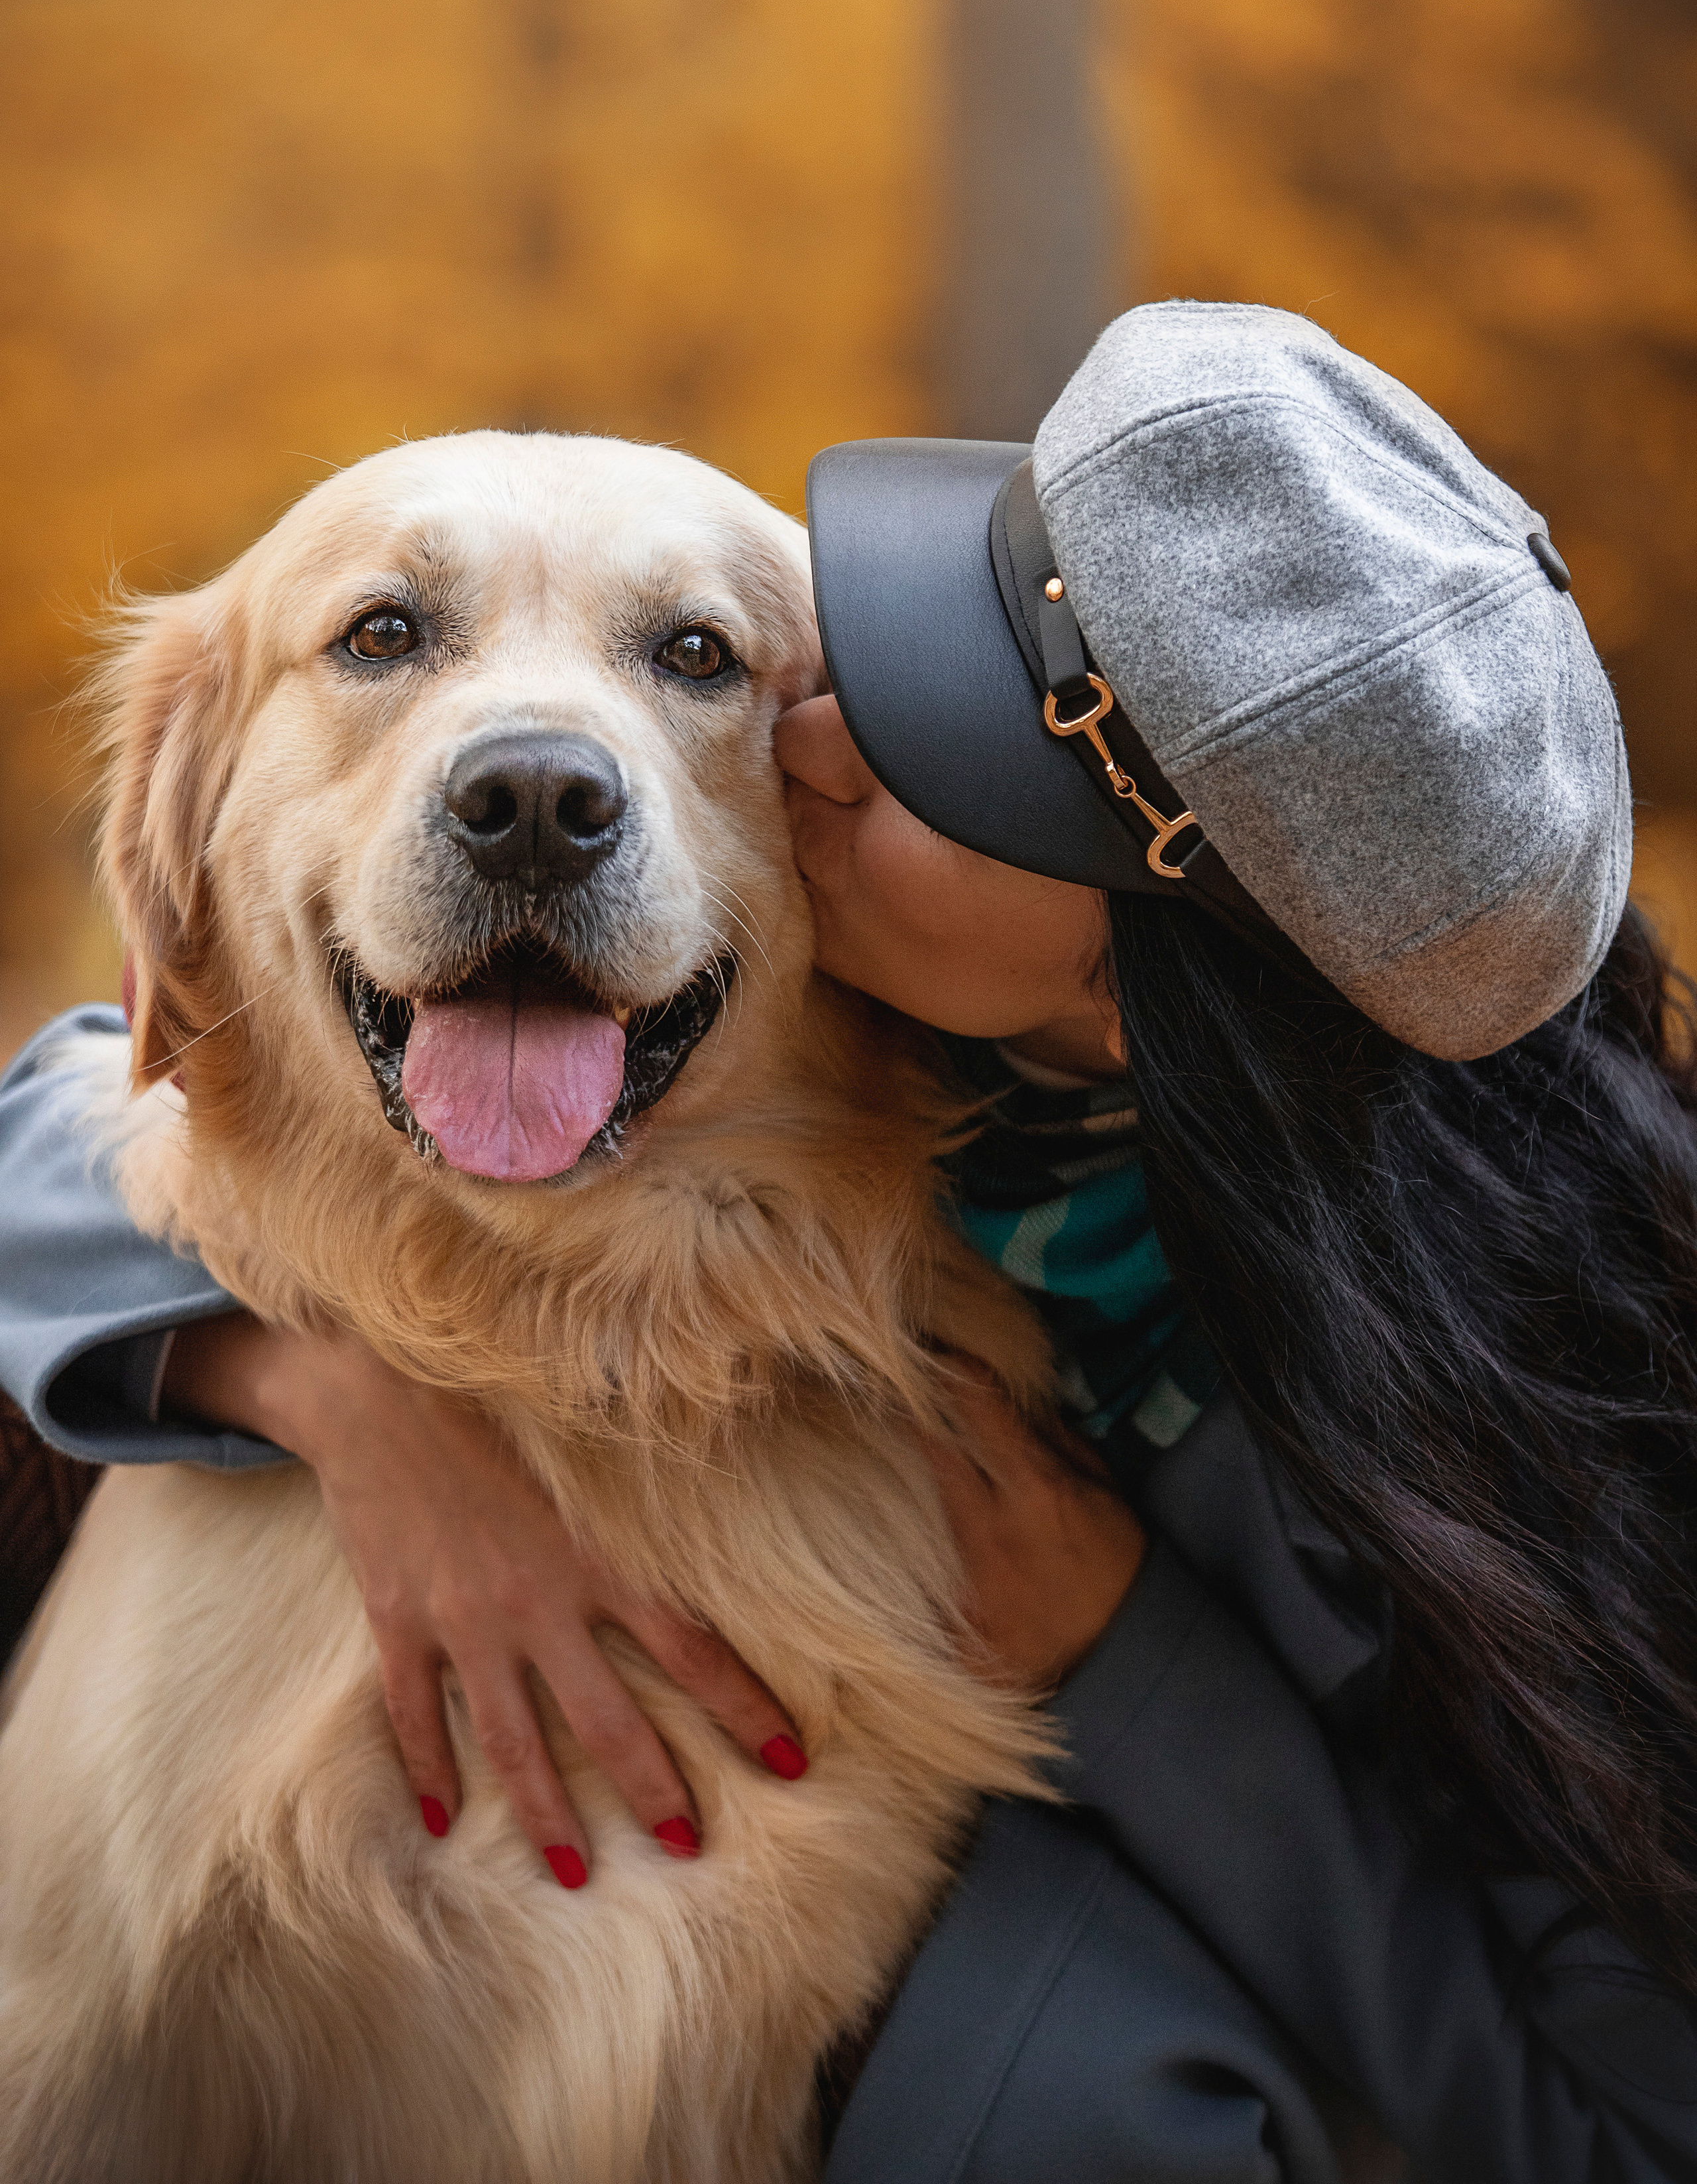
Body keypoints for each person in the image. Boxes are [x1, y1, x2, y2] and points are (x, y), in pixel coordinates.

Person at [2, 301, 1695, 2181]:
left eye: (928, 746)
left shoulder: (1516, 1415)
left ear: (1139, 985)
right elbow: (93, 1115)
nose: (818, 748)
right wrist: (321, 1384)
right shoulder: (957, 1052)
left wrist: (1127, 1652)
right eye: (387, 637)